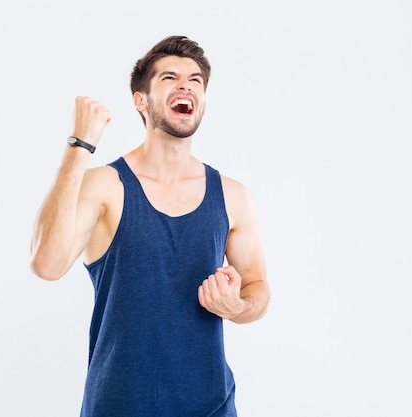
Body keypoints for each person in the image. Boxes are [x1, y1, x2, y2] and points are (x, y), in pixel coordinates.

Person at [30, 35, 270, 417]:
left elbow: (258, 287)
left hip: (211, 407)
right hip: (118, 406)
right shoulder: (106, 185)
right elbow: (47, 263)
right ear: (141, 101)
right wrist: (80, 145)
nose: (185, 86)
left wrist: (237, 306)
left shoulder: (232, 195)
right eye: (169, 78)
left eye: (195, 80)